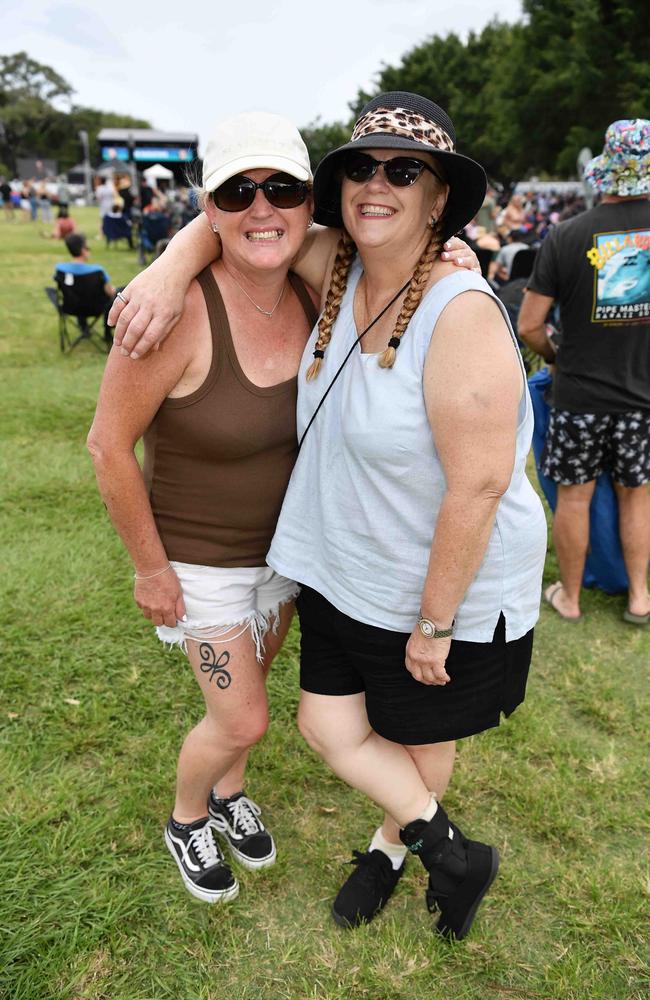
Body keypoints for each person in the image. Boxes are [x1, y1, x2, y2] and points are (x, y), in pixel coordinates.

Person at [108, 92, 545, 940]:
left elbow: (481, 486)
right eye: (361, 168)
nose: (376, 185)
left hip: (441, 577)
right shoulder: (333, 271)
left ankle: (394, 848)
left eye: (403, 171)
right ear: (338, 190)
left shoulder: (458, 310)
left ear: (438, 199)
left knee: (421, 727)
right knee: (328, 724)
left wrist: (436, 621)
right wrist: (165, 266)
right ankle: (450, 847)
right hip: (346, 565)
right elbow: (236, 218)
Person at [87, 112, 325, 906]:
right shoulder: (171, 311)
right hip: (200, 564)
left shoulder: (316, 288)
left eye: (282, 188)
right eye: (238, 191)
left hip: (283, 555)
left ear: (309, 203)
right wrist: (150, 569)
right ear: (209, 206)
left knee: (251, 690)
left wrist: (456, 249)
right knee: (243, 718)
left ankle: (228, 796)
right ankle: (188, 816)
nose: (263, 208)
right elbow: (106, 446)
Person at [518, 119, 650, 625]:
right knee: (636, 495)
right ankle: (639, 596)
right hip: (641, 395)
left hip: (579, 396)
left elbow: (530, 324)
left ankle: (569, 599)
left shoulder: (567, 234)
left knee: (574, 498)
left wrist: (555, 356)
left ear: (607, 172)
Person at [57, 233, 116, 342]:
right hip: (96, 308)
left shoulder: (61, 269)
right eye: (87, 247)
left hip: (71, 307)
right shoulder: (97, 271)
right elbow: (109, 293)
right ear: (83, 250)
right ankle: (107, 332)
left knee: (78, 292)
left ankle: (84, 327)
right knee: (116, 295)